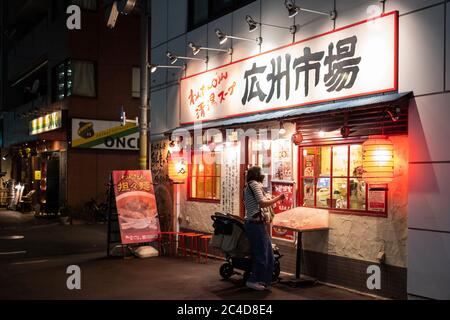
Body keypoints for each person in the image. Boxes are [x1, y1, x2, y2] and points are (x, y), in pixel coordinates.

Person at [244, 166, 285, 291]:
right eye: (261, 172)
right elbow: (261, 203)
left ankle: (263, 280)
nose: (263, 174)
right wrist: (278, 198)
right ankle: (253, 280)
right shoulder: (254, 184)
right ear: (257, 174)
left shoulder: (250, 186)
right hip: (255, 224)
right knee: (262, 253)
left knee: (268, 254)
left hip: (256, 224)